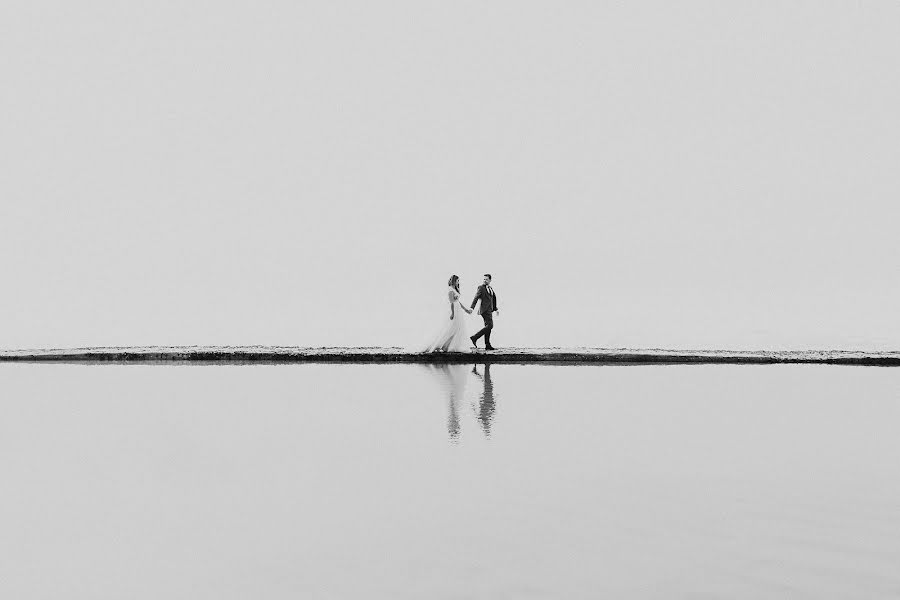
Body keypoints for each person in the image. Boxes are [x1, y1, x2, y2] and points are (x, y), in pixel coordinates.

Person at [423, 275, 474, 353]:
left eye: (458, 281)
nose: (458, 282)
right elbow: (451, 302)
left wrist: (466, 309)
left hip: (458, 310)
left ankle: (449, 345)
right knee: (450, 328)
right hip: (454, 310)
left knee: (457, 328)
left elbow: (458, 302)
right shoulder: (450, 290)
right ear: (454, 281)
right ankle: (440, 345)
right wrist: (452, 313)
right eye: (457, 281)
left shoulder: (455, 289)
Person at [469, 273, 499, 350]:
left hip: (490, 310)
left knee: (488, 327)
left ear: (490, 280)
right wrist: (472, 308)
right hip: (484, 310)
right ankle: (474, 337)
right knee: (490, 326)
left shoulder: (491, 288)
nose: (485, 280)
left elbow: (493, 299)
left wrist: (495, 309)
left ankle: (487, 344)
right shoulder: (481, 288)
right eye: (484, 279)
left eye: (486, 279)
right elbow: (476, 297)